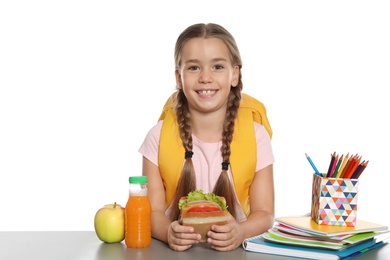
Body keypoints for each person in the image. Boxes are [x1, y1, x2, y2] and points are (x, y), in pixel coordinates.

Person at [138, 23, 275, 252]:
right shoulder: (158, 136)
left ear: (235, 74)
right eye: (193, 68)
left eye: (218, 67)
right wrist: (167, 232)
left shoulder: (256, 136)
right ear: (179, 78)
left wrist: (240, 231)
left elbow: (265, 213)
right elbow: (151, 211)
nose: (205, 78)